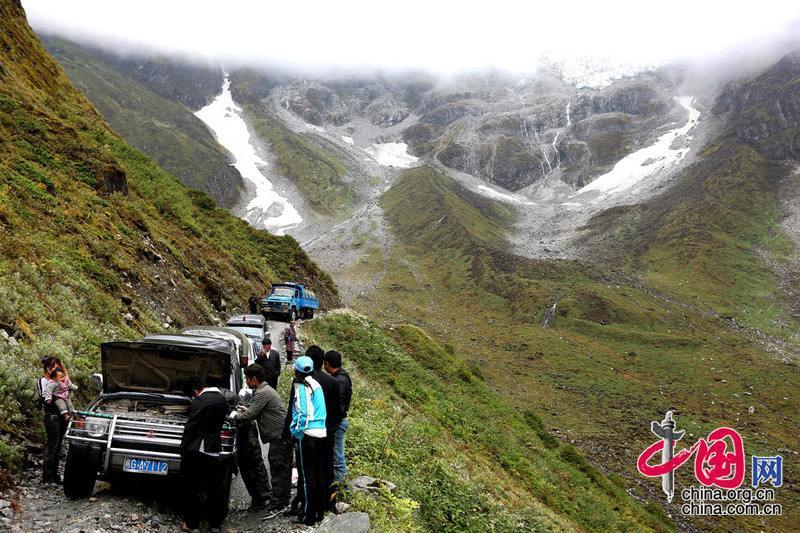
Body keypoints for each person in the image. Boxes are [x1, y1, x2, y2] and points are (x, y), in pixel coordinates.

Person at [228, 364, 292, 514]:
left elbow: (250, 415)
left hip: (279, 436)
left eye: (247, 378)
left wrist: (234, 416)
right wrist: (247, 410)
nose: (246, 382)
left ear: (254, 379)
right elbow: (254, 410)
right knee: (282, 468)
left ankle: (277, 503)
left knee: (277, 468)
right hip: (282, 436)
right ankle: (282, 500)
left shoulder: (262, 392)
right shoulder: (265, 390)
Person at [180, 376, 230, 533]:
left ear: (195, 391)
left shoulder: (200, 401)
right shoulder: (222, 400)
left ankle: (192, 524)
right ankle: (215, 524)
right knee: (214, 488)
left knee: (192, 487)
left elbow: (191, 426)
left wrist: (183, 448)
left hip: (197, 449)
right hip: (214, 448)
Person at [289, 356, 327, 526]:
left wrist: (296, 432)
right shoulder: (317, 385)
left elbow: (303, 414)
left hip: (308, 435)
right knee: (319, 474)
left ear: (298, 371)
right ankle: (319, 512)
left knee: (306, 477)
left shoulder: (304, 387)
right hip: (321, 433)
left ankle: (307, 515)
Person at [306, 346, 341, 509]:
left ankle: (310, 504)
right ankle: (329, 503)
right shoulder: (333, 382)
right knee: (327, 469)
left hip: (309, 432)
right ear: (322, 362)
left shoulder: (303, 382)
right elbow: (337, 411)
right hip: (327, 431)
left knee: (310, 470)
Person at [323, 350, 352, 482]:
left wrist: (333, 424)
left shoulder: (338, 381)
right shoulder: (343, 376)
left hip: (338, 422)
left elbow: (338, 407)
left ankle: (340, 487)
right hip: (340, 421)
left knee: (337, 457)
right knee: (335, 455)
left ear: (327, 364)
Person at [39, 356, 67, 485]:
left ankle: (55, 476)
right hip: (52, 417)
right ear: (49, 368)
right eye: (56, 367)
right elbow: (46, 398)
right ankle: (47, 477)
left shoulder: (57, 382)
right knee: (51, 446)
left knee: (58, 446)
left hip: (60, 416)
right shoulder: (44, 382)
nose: (58, 370)